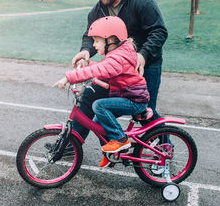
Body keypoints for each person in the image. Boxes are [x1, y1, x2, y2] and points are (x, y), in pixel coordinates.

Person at [71, 0, 168, 141]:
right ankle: (71, 144)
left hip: (146, 65)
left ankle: (164, 150)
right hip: (115, 67)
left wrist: (143, 55)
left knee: (146, 114)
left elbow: (159, 32)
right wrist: (86, 51)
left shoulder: (141, 0)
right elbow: (90, 36)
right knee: (88, 99)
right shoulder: (99, 9)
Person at [54, 16, 150, 167]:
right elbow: (103, 67)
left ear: (111, 40)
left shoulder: (118, 57)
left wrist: (68, 78)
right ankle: (111, 153)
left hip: (133, 100)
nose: (93, 45)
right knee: (99, 121)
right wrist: (87, 64)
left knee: (99, 106)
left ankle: (120, 140)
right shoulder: (117, 53)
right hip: (127, 96)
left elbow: (102, 68)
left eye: (97, 41)